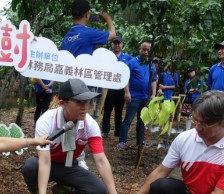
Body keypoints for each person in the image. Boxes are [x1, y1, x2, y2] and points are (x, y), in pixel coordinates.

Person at [21, 78, 126, 194]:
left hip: (69, 165)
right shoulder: (46, 121)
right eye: (79, 102)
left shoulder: (90, 124)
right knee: (30, 167)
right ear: (62, 103)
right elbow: (44, 161)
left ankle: (61, 189)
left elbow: (101, 160)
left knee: (99, 191)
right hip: (48, 163)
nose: (84, 107)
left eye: (87, 102)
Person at [61, 0, 116, 168]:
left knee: (69, 118)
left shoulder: (67, 36)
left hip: (67, 84)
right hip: (81, 85)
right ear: (87, 15)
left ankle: (68, 156)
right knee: (81, 118)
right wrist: (108, 20)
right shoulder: (88, 33)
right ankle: (76, 157)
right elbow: (112, 35)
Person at [118, 41, 157, 149]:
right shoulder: (132, 62)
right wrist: (127, 92)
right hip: (134, 96)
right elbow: (125, 77)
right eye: (143, 49)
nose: (145, 52)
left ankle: (140, 141)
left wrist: (153, 94)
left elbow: (154, 80)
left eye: (148, 50)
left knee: (142, 120)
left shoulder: (151, 65)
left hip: (146, 97)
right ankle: (122, 141)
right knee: (128, 119)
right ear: (139, 49)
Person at [101, 36, 133, 138]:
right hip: (109, 88)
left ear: (122, 44)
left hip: (122, 88)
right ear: (112, 44)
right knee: (107, 110)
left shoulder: (127, 57)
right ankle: (105, 130)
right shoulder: (107, 56)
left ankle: (118, 131)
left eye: (119, 43)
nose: (117, 45)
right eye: (115, 43)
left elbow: (131, 70)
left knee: (119, 111)